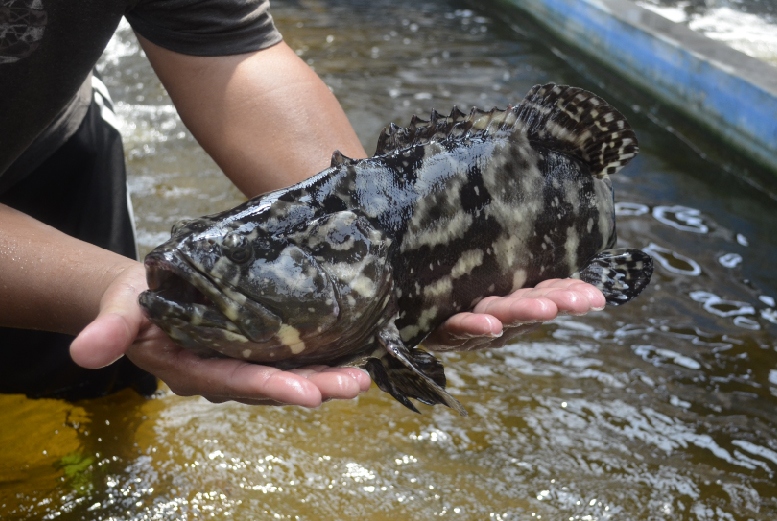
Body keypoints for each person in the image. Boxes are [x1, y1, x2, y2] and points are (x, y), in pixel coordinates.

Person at [0, 0, 605, 406]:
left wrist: (373, 217)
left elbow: (226, 41)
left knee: (96, 421)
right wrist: (107, 282)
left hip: (52, 145)